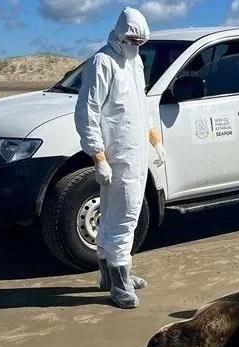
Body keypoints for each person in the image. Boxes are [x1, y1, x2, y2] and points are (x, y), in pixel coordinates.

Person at [74, 7, 165, 309]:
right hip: (117, 155)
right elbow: (87, 111)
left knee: (122, 214)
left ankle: (108, 275)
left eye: (140, 41)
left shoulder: (135, 62)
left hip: (136, 154)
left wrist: (154, 138)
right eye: (132, 39)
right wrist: (98, 155)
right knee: (123, 218)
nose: (135, 45)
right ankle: (120, 283)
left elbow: (142, 106)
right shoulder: (103, 62)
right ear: (119, 33)